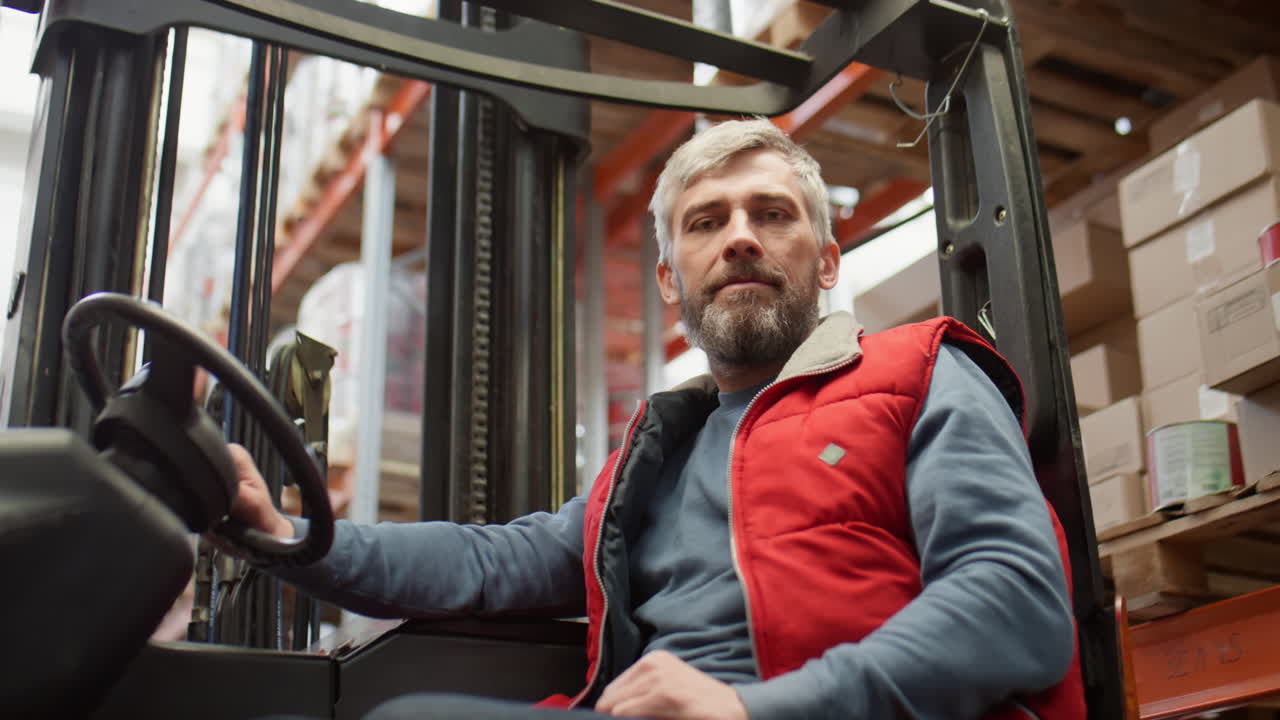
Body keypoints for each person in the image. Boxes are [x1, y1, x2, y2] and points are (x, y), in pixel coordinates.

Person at [227, 118, 1086, 719]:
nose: (740, 237)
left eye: (771, 214)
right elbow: (495, 561)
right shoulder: (660, 454)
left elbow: (1013, 598)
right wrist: (289, 536)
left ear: (827, 262)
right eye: (706, 223)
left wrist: (754, 708)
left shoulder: (920, 372)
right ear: (672, 281)